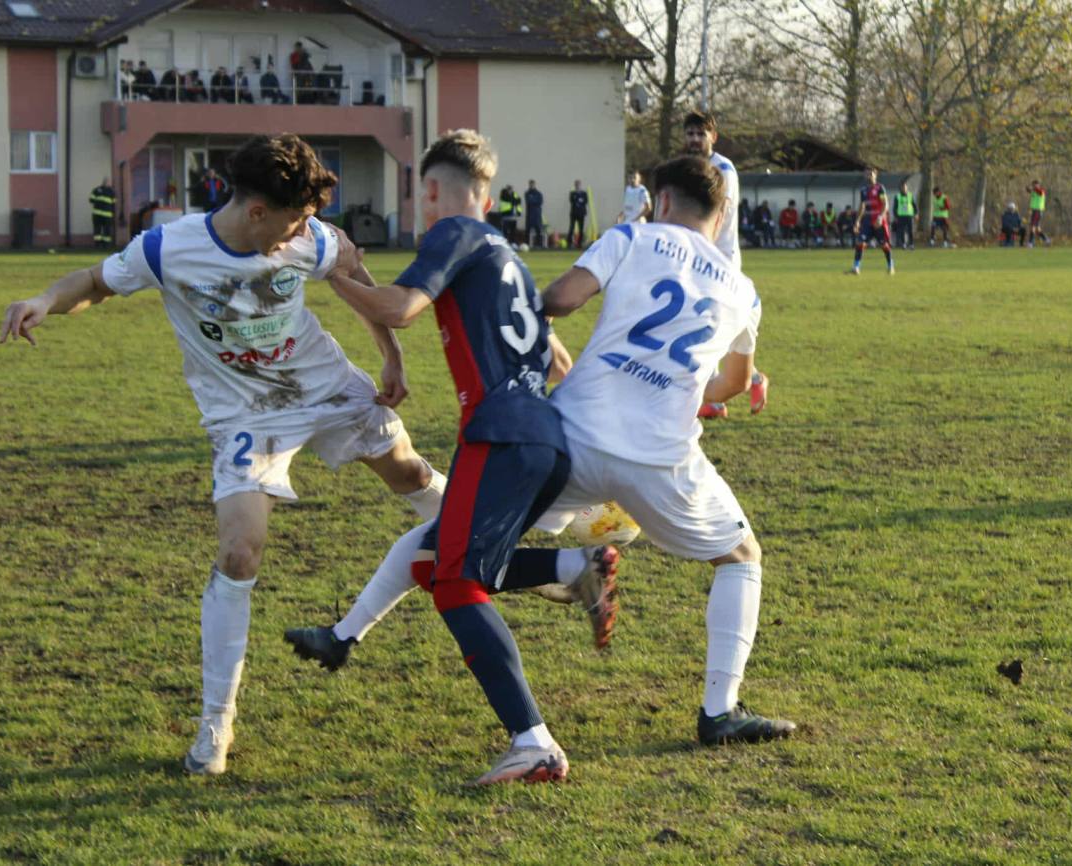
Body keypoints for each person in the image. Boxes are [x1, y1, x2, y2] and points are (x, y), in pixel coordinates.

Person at [0, 134, 447, 776]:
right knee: (240, 551)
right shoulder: (168, 248)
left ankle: (523, 555)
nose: (306, 231)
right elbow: (95, 281)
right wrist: (45, 299)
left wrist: (392, 356)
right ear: (256, 211)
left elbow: (354, 271)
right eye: (296, 220)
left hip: (324, 385)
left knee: (410, 474)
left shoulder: (308, 238)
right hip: (245, 416)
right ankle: (216, 725)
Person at [307, 129, 617, 785]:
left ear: (432, 192)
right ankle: (572, 566)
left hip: (498, 434)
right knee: (435, 553)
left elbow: (402, 308)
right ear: (489, 194)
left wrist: (333, 272)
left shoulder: (455, 232)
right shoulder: (511, 257)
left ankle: (533, 741)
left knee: (454, 582)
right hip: (547, 437)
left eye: (423, 195)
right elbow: (558, 360)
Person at [540, 155, 796, 749]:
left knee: (473, 537)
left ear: (659, 202)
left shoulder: (631, 237)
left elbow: (561, 299)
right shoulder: (744, 292)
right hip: (660, 457)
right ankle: (719, 712)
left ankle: (561, 569)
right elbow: (733, 384)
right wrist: (675, 383)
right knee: (741, 556)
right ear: (721, 213)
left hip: (573, 432)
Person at [683, 110, 769, 415]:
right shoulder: (688, 168)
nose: (695, 139)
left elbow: (720, 213)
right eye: (690, 134)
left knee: (710, 327)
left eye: (701, 134)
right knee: (707, 327)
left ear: (713, 137)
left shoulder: (724, 170)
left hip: (720, 262)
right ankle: (724, 394)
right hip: (696, 260)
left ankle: (740, 385)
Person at [850, 168, 894, 275]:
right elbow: (862, 206)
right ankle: (856, 267)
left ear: (875, 175)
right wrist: (857, 221)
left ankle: (890, 266)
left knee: (884, 245)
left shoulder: (880, 188)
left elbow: (885, 204)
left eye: (871, 173)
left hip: (878, 222)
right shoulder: (863, 190)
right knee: (860, 242)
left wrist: (880, 217)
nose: (869, 175)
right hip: (867, 222)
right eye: (867, 174)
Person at [90, 178, 115, 248]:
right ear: (108, 183)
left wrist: (99, 202)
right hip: (107, 215)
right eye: (109, 182)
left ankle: (98, 244)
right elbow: (113, 203)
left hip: (97, 214)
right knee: (106, 229)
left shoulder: (96, 190)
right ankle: (106, 245)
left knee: (98, 229)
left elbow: (91, 200)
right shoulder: (111, 191)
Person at [1025, 180, 1051, 247]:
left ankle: (1030, 243)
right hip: (1034, 211)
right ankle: (1046, 240)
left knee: (1032, 227)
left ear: (1038, 185)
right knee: (1037, 229)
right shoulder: (1034, 192)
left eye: (1035, 185)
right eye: (1033, 185)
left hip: (1038, 211)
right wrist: (1027, 188)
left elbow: (1040, 192)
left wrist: (1034, 188)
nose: (1034, 186)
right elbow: (1028, 190)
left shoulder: (1041, 191)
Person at [893, 182, 916, 249]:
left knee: (910, 230)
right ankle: (903, 244)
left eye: (905, 187)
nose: (904, 189)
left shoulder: (910, 195)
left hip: (909, 215)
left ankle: (911, 244)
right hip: (901, 216)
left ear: (907, 188)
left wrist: (916, 214)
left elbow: (914, 205)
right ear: (901, 188)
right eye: (903, 188)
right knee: (902, 231)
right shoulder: (897, 196)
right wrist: (895, 216)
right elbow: (895, 207)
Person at [567, 179, 589, 249]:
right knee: (571, 228)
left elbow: (585, 201)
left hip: (581, 213)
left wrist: (578, 200)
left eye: (578, 185)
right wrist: (579, 200)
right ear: (575, 185)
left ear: (580, 185)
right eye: (576, 185)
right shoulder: (572, 193)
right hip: (574, 213)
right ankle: (569, 242)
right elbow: (572, 200)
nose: (577, 186)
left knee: (581, 229)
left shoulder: (584, 193)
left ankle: (579, 243)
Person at [524, 179, 544, 248]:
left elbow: (540, 202)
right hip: (529, 215)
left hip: (537, 215)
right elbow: (529, 201)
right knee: (527, 231)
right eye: (530, 184)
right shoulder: (527, 193)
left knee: (538, 230)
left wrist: (533, 201)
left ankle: (539, 245)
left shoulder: (538, 193)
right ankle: (526, 244)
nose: (531, 186)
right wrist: (534, 201)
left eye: (533, 184)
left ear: (535, 185)